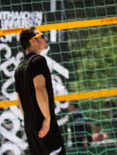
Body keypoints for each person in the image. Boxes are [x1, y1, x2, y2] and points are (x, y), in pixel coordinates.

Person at [15, 27, 67, 155]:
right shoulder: (38, 60)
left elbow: (19, 101)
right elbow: (39, 88)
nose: (46, 38)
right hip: (43, 123)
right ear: (33, 41)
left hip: (30, 125)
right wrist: (47, 119)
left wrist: (29, 120)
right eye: (42, 36)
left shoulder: (19, 67)